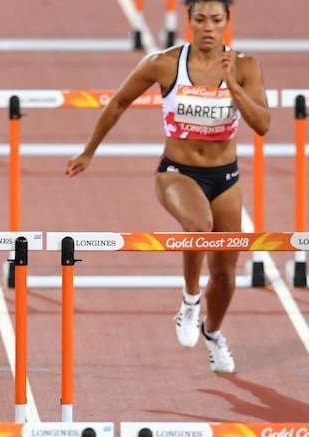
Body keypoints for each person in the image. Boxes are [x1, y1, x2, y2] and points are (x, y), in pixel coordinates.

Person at [66, 0, 269, 373]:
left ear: (227, 21)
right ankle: (190, 301)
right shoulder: (164, 63)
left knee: (225, 274)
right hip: (177, 172)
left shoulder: (245, 66)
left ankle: (213, 332)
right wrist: (88, 152)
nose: (208, 27)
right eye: (200, 19)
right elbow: (119, 103)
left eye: (216, 19)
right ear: (189, 21)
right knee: (198, 227)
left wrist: (235, 88)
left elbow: (263, 124)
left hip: (226, 178)